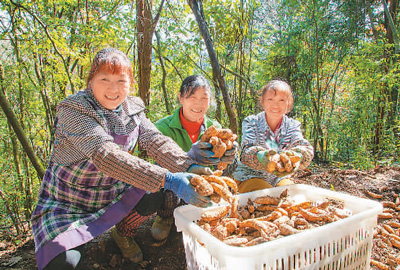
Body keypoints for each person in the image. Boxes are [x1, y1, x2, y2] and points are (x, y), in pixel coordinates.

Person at [31, 48, 212, 270]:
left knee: (158, 193)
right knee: (62, 263)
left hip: (112, 189)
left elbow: (155, 140)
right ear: (91, 81)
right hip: (69, 201)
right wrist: (169, 178)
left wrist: (188, 165)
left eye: (121, 81)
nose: (113, 89)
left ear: (130, 83)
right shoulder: (74, 110)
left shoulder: (132, 109)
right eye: (104, 79)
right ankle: (78, 238)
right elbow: (105, 154)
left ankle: (123, 234)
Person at [150, 75, 238, 242]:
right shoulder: (162, 127)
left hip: (202, 183)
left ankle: (201, 213)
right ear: (181, 98)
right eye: (192, 97)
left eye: (204, 98)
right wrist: (189, 158)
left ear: (210, 100)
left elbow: (218, 168)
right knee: (167, 187)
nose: (198, 104)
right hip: (173, 186)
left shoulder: (215, 128)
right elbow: (158, 164)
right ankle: (165, 216)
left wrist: (228, 157)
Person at [232, 79, 314, 193]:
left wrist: (297, 155)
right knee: (265, 195)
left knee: (290, 194)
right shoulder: (251, 122)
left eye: (281, 100)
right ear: (262, 101)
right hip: (249, 175)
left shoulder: (292, 125)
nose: (275, 105)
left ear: (288, 103)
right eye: (270, 99)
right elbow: (246, 152)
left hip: (279, 177)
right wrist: (261, 156)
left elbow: (303, 146)